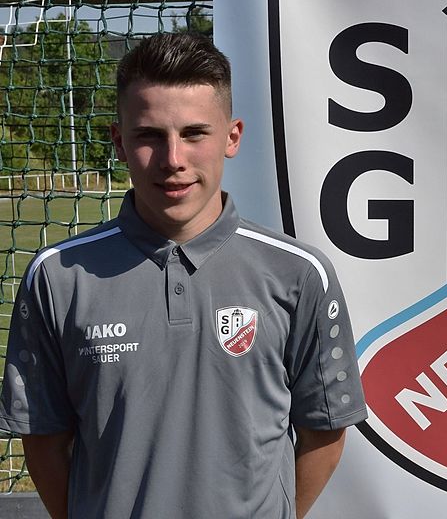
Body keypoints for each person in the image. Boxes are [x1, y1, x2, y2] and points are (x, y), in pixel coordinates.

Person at [0, 32, 367, 519]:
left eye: (194, 133)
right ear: (119, 142)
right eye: (149, 135)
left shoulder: (298, 274)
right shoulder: (57, 277)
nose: (173, 159)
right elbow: (44, 441)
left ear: (232, 137)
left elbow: (325, 432)